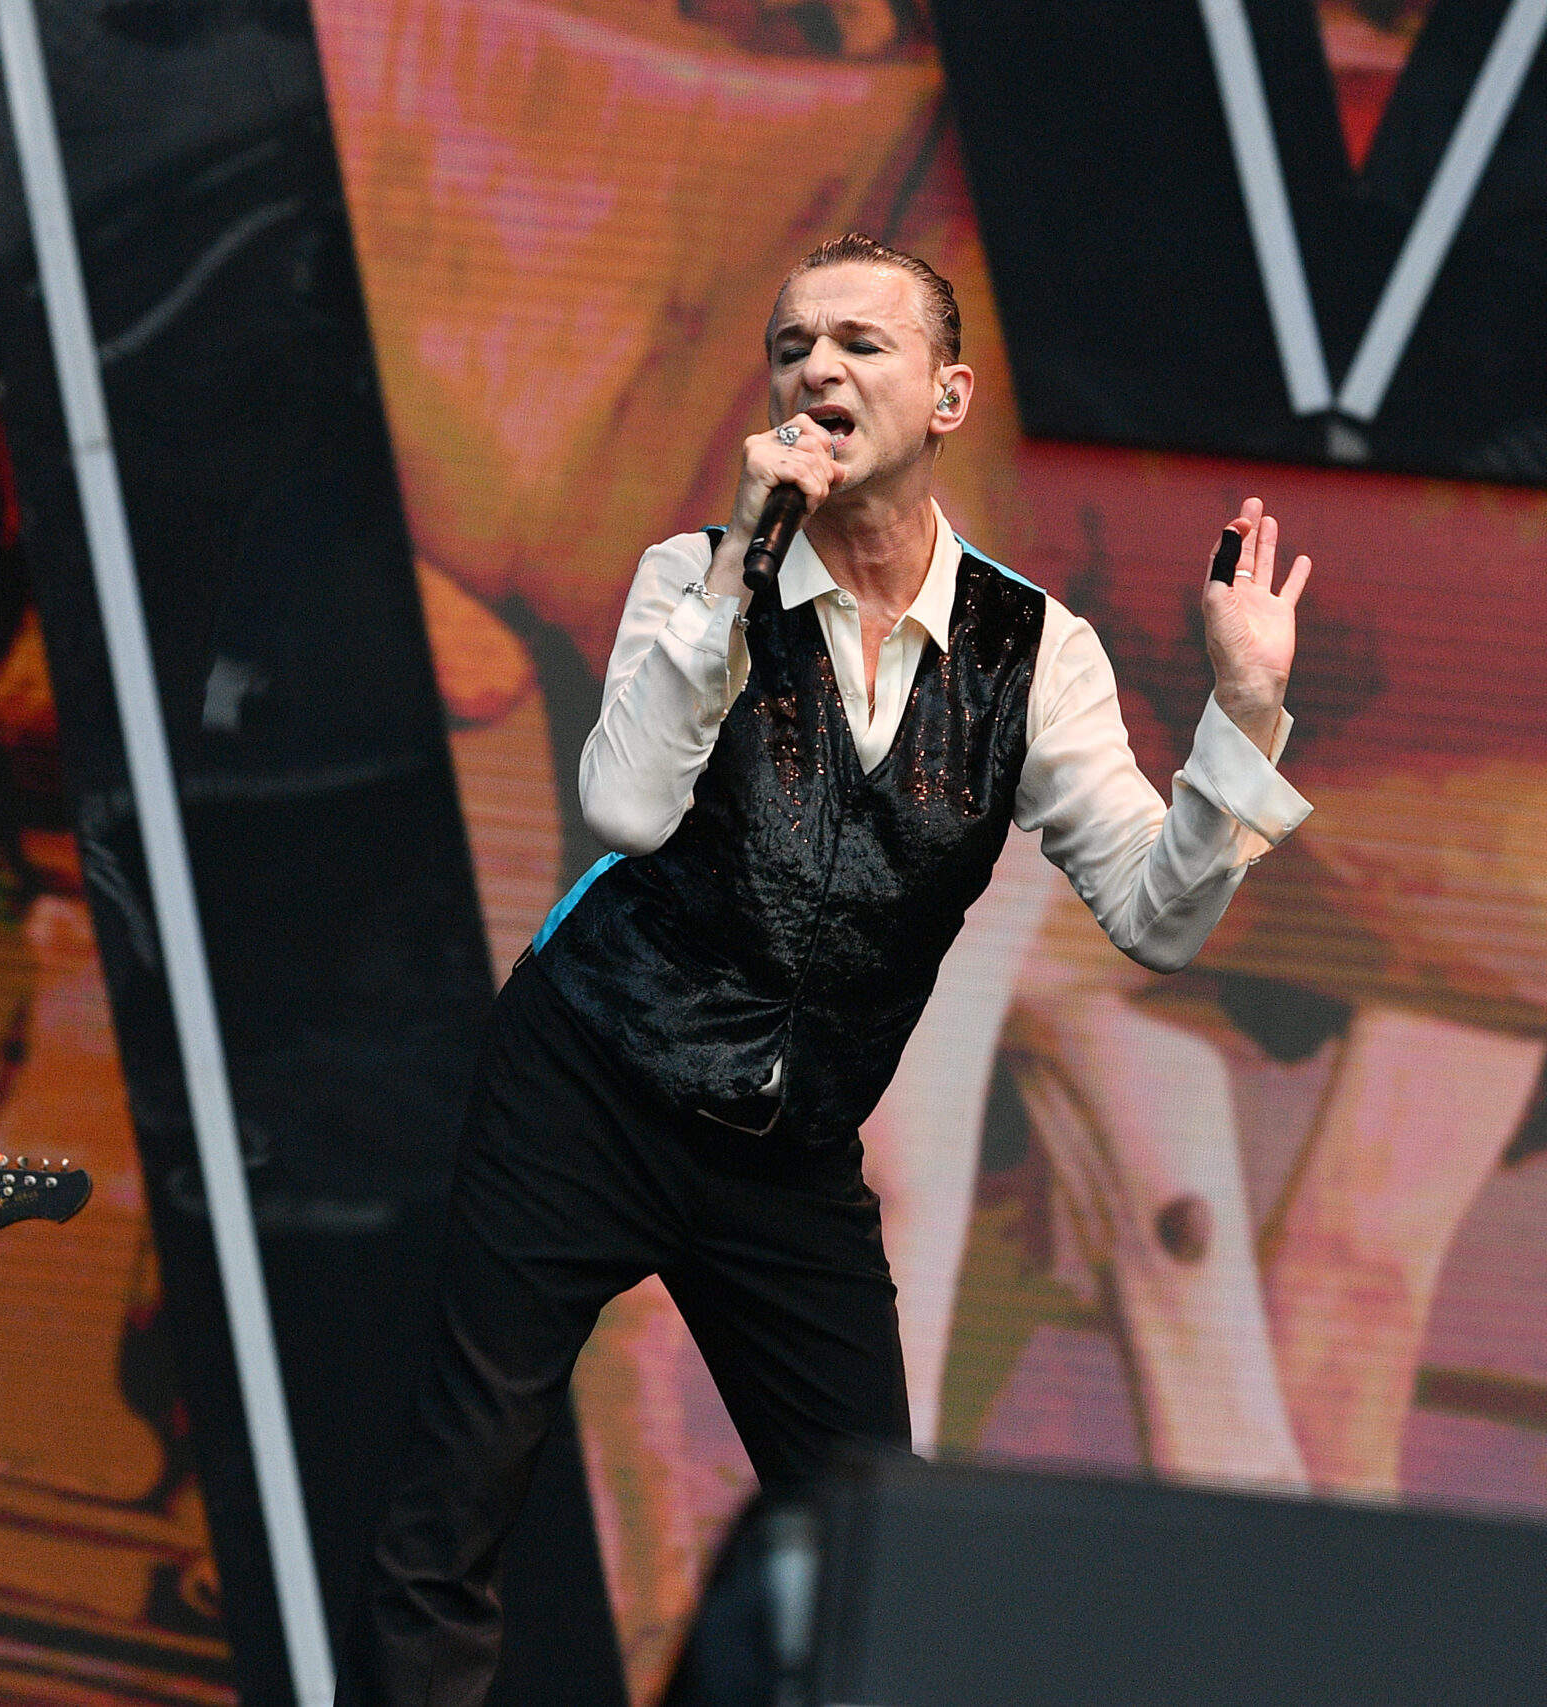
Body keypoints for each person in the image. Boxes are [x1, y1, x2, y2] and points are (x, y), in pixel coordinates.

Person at [338, 233, 1316, 1704]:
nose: (819, 370)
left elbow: (1156, 918)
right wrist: (740, 561)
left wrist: (1243, 710)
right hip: (587, 1081)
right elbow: (627, 807)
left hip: (786, 1154)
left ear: (949, 398)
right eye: (794, 346)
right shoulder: (693, 574)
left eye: (863, 343)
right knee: (454, 1494)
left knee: (868, 1547)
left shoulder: (1032, 651)